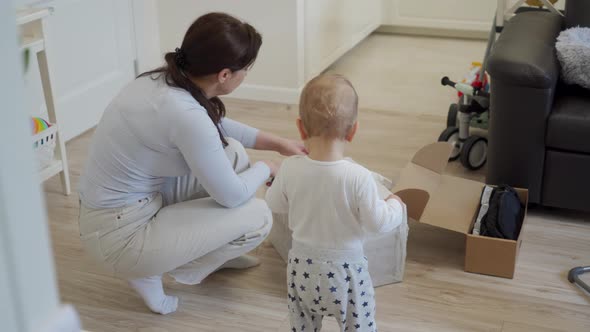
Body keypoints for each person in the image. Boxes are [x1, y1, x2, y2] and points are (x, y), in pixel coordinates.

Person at [77, 12, 306, 315]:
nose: (245, 75)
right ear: (225, 75)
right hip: (120, 238)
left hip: (123, 208)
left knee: (234, 154)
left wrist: (279, 143)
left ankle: (212, 248)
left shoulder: (161, 81)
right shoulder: (183, 113)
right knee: (259, 215)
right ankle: (150, 269)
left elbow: (215, 125)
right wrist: (268, 167)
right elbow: (233, 195)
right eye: (245, 70)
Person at [265, 74, 405, 331]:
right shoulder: (358, 176)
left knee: (303, 326)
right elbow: (379, 223)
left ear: (301, 127)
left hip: (301, 270)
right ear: (353, 131)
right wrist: (396, 205)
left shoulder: (289, 169)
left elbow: (275, 205)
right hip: (346, 274)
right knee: (359, 325)